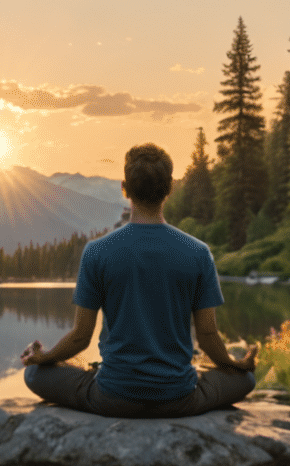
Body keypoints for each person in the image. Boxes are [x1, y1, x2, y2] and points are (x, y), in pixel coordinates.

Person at [19, 143, 257, 417]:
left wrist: (45, 357)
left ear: (125, 188)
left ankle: (96, 376)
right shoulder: (197, 252)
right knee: (246, 379)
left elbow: (80, 338)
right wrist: (231, 363)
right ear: (169, 189)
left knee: (34, 374)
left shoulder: (97, 252)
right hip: (179, 399)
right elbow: (207, 336)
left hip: (112, 397)